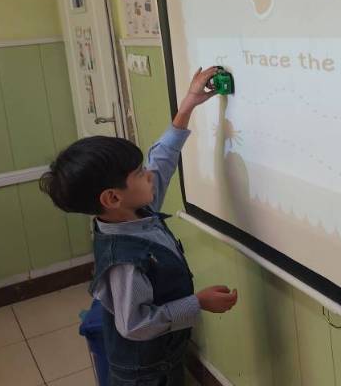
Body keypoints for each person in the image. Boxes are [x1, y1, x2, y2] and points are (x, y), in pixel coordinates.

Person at [40, 66, 237, 385]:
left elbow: (163, 159)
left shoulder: (131, 210)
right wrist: (198, 302)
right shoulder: (124, 263)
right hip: (144, 374)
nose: (149, 175)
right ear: (112, 197)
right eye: (139, 174)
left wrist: (187, 106)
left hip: (163, 357)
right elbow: (135, 324)